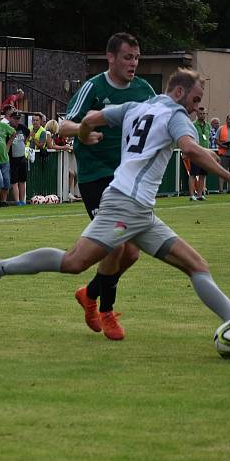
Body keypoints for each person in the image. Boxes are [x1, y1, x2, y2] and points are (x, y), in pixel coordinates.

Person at [0, 68, 230, 346]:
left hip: (140, 212)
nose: (196, 107)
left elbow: (88, 120)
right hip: (125, 204)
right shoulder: (176, 114)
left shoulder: (136, 107)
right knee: (74, 262)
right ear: (179, 93)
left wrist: (86, 137)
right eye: (195, 100)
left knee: (197, 266)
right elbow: (190, 148)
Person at [60, 32, 156, 338]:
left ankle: (89, 293)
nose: (133, 64)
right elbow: (63, 125)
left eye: (137, 58)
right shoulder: (94, 86)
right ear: (110, 57)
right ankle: (106, 311)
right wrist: (83, 132)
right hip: (96, 177)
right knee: (115, 242)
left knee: (131, 254)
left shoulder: (144, 90)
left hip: (128, 180)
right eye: (128, 57)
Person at [45, 119, 80, 201]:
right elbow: (51, 146)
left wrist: (64, 147)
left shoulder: (51, 134)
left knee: (72, 173)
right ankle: (67, 193)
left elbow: (53, 145)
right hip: (50, 159)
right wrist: (64, 147)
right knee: (71, 173)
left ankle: (68, 193)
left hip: (53, 159)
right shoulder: (48, 133)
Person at [7, 112, 30, 205]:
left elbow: (28, 134)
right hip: (12, 158)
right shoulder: (7, 127)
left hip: (21, 157)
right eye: (15, 118)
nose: (16, 120)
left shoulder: (22, 128)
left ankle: (22, 200)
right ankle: (17, 201)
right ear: (10, 118)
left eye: (18, 118)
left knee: (22, 180)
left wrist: (24, 141)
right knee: (14, 180)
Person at [189, 106, 210, 201]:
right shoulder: (193, 124)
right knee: (193, 174)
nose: (202, 115)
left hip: (206, 153)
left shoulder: (208, 126)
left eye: (204, 113)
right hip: (196, 152)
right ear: (197, 114)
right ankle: (192, 195)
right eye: (200, 114)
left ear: (206, 114)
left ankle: (200, 194)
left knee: (203, 174)